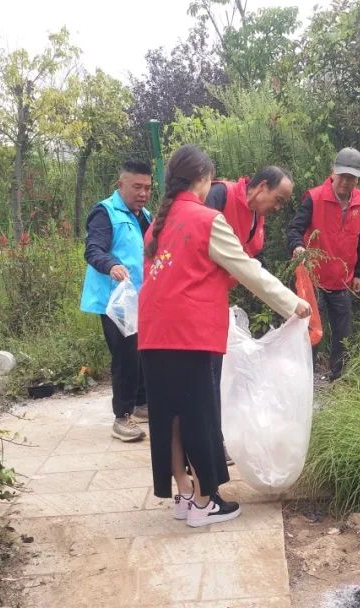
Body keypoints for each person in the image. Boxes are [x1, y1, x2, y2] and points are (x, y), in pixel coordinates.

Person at [138, 145, 310, 528]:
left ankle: (185, 494)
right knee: (199, 416)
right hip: (190, 333)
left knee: (170, 418)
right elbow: (247, 269)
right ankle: (204, 504)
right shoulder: (207, 219)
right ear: (203, 179)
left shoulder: (157, 224)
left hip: (153, 333)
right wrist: (292, 303)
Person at [205, 166, 294, 464]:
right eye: (278, 199)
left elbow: (252, 266)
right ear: (262, 186)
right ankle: (206, 448)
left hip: (217, 297)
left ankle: (214, 442)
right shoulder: (220, 195)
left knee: (216, 372)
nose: (278, 208)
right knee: (206, 374)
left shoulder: (257, 218)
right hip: (196, 298)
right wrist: (287, 303)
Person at [80, 159, 153, 442]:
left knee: (144, 350)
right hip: (114, 300)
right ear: (120, 184)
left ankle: (142, 403)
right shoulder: (105, 212)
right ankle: (121, 417)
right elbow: (93, 249)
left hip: (140, 297)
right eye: (137, 187)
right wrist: (111, 265)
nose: (143, 193)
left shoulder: (144, 215)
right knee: (125, 355)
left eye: (147, 187)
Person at [286, 147, 360, 381]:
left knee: (343, 334)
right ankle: (306, 379)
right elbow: (294, 229)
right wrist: (297, 246)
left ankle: (339, 378)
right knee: (311, 331)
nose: (345, 181)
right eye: (341, 175)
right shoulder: (314, 198)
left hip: (343, 280)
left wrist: (359, 272)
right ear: (333, 171)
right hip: (313, 280)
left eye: (351, 177)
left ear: (357, 178)